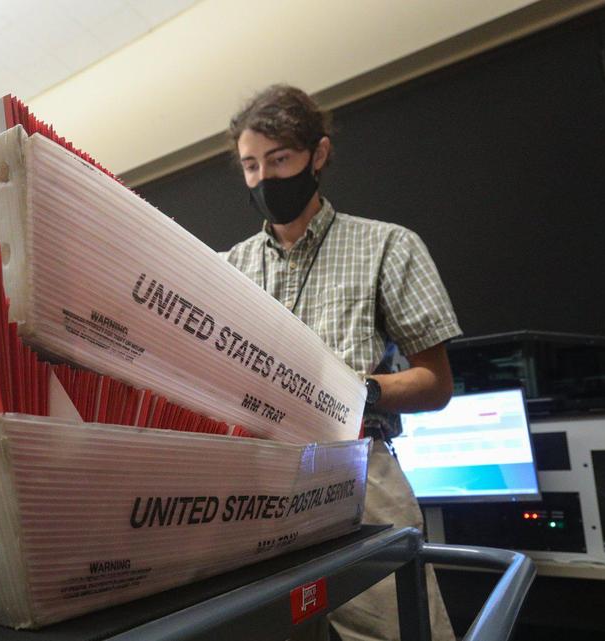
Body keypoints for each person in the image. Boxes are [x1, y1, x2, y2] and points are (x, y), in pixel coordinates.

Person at [226, 84, 461, 641]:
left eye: (279, 159)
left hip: (358, 473)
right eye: (250, 166)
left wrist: (360, 388)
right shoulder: (227, 266)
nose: (264, 179)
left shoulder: (387, 245)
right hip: (254, 481)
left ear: (319, 155)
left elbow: (436, 382)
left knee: (394, 630)